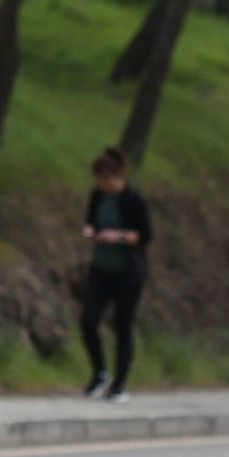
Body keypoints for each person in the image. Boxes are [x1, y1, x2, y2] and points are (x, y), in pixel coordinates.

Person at [79, 147, 152, 403]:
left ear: (118, 177)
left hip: (127, 273)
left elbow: (144, 236)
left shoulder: (134, 200)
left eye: (107, 180)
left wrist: (118, 236)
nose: (103, 184)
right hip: (101, 269)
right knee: (88, 320)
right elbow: (91, 221)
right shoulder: (98, 196)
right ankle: (100, 372)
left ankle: (119, 385)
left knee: (122, 326)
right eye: (99, 180)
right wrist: (91, 232)